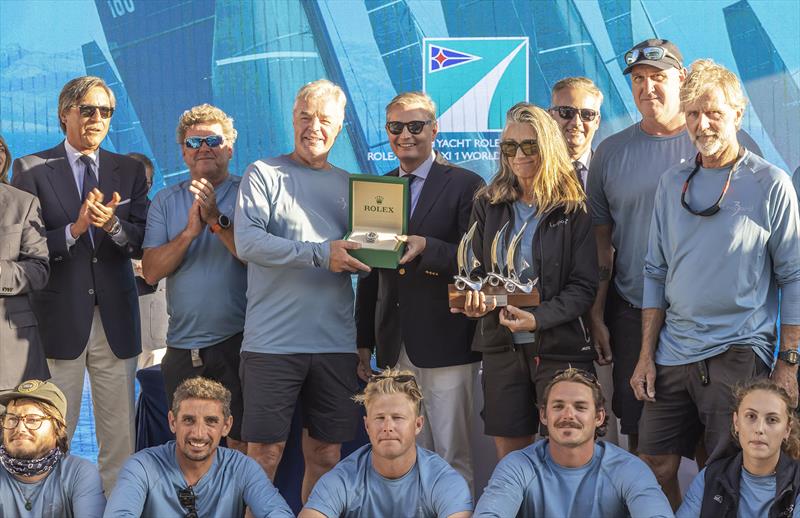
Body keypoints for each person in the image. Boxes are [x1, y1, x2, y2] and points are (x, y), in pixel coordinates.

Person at [635, 59, 800, 509]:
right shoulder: (672, 183)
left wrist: (788, 363)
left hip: (738, 351)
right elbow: (655, 271)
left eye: (713, 113)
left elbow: (794, 276)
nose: (702, 123)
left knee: (723, 467)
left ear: (737, 115)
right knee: (653, 463)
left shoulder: (771, 184)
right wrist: (646, 354)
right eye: (692, 113)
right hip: (673, 352)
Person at [586, 39, 763, 456]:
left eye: (658, 77)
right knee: (647, 451)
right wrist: (596, 315)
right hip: (635, 315)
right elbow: (601, 247)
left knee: (716, 450)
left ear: (682, 79)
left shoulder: (733, 146)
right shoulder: (610, 153)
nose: (647, 88)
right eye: (638, 79)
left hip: (715, 327)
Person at [11, 76, 148, 493]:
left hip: (116, 320)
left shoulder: (129, 170)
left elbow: (141, 239)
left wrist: (113, 226)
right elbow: (24, 247)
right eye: (87, 109)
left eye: (105, 112)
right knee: (53, 431)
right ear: (64, 114)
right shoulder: (31, 169)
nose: (97, 119)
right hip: (58, 320)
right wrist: (75, 229)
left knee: (120, 435)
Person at [235, 79, 370, 501]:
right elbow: (248, 242)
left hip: (335, 345)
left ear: (340, 126)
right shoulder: (263, 173)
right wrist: (319, 254)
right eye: (306, 116)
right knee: (263, 457)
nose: (314, 126)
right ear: (292, 119)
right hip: (271, 344)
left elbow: (371, 259)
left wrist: (388, 253)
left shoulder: (355, 186)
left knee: (328, 456)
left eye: (325, 119)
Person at [453, 102, 598, 459]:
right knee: (512, 456)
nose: (519, 155)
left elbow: (583, 287)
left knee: (570, 452)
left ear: (547, 145)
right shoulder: (488, 203)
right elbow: (475, 273)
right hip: (501, 345)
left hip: (560, 345)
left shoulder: (573, 206)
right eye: (510, 146)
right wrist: (472, 301)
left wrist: (539, 318)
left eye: (529, 145)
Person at [355, 92, 484, 488]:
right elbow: (370, 273)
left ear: (434, 129)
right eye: (396, 127)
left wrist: (428, 248)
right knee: (406, 454)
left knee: (451, 452)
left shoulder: (466, 183)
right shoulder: (378, 189)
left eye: (415, 126)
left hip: (447, 340)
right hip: (393, 347)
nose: (405, 135)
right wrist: (363, 342)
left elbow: (477, 257)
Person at [141, 104, 247, 452]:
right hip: (182, 347)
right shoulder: (165, 201)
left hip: (239, 342)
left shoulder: (250, 192)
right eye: (194, 142)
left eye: (213, 140)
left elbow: (254, 256)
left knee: (239, 442)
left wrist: (215, 220)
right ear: (183, 152)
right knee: (189, 445)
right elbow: (153, 270)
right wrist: (189, 232)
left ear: (229, 147)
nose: (203, 148)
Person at [473, 368, 672, 517]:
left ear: (599, 417)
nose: (568, 415)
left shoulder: (628, 469)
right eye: (558, 406)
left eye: (580, 407)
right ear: (543, 415)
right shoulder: (517, 466)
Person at [104, 377, 292, 517]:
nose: (198, 433)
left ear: (226, 426)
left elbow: (277, 512)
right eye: (188, 420)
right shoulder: (141, 466)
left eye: (211, 421)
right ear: (172, 422)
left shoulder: (242, 467)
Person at [300, 368, 473, 518]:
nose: (387, 427)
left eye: (397, 418)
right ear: (367, 426)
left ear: (418, 425)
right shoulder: (344, 477)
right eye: (380, 418)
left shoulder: (442, 479)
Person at [677, 378, 800, 518]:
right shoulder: (710, 476)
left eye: (772, 420)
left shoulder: (797, 481)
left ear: (787, 430)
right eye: (751, 416)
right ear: (736, 422)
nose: (759, 429)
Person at [0, 379, 104, 517]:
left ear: (57, 428)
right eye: (12, 418)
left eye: (33, 420)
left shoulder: (79, 473)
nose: (20, 428)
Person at [0, 135, 50, 390]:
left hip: (10, 357)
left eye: (0, 148)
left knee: (13, 430)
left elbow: (39, 270)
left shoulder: (24, 203)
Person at [127, 152, 168, 369]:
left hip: (149, 306)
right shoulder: (102, 211)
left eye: (147, 182)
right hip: (109, 308)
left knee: (153, 378)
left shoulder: (159, 213)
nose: (141, 188)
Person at [548, 77, 603, 189]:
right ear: (550, 116)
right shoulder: (531, 173)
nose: (576, 122)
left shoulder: (612, 174)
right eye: (567, 112)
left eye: (587, 114)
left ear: (597, 121)